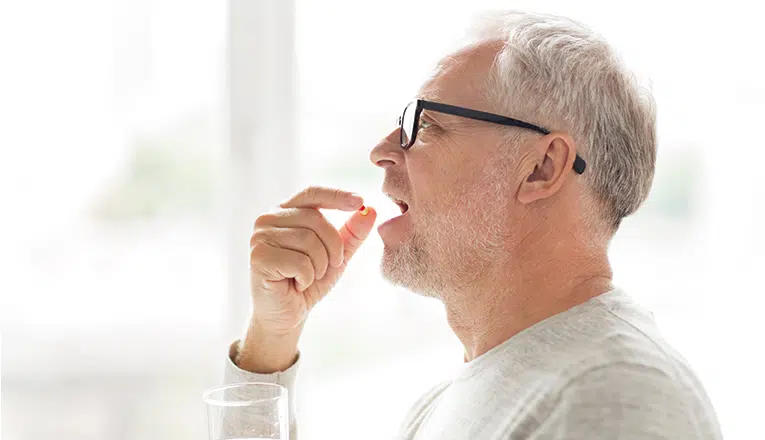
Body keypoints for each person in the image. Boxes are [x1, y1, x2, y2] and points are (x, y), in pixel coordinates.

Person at [222, 10, 722, 440]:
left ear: (541, 167)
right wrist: (271, 337)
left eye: (428, 123)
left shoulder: (616, 393)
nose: (381, 152)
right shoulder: (456, 399)